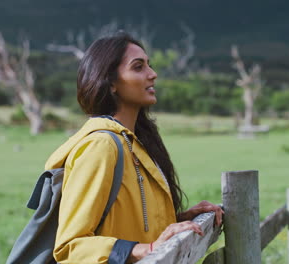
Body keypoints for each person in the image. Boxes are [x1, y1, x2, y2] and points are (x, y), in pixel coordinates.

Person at [44, 32, 224, 264]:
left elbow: (127, 226)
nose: (153, 74)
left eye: (149, 65)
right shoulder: (101, 146)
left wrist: (180, 219)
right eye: (138, 67)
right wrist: (146, 249)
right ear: (111, 83)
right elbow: (71, 247)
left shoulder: (136, 142)